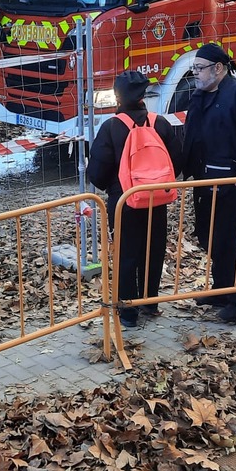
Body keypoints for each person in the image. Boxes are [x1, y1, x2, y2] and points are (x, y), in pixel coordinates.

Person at [180, 43, 236, 324]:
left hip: (234, 182)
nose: (195, 73)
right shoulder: (199, 95)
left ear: (218, 68)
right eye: (194, 68)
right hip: (206, 180)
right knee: (209, 236)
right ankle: (221, 289)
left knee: (232, 240)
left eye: (199, 68)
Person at [87, 71, 183, 328]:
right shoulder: (160, 123)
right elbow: (178, 161)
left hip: (124, 203)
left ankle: (128, 312)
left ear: (117, 96)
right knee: (153, 249)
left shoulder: (110, 127)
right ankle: (150, 303)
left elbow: (96, 173)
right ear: (143, 95)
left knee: (126, 254)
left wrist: (115, 187)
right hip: (157, 200)